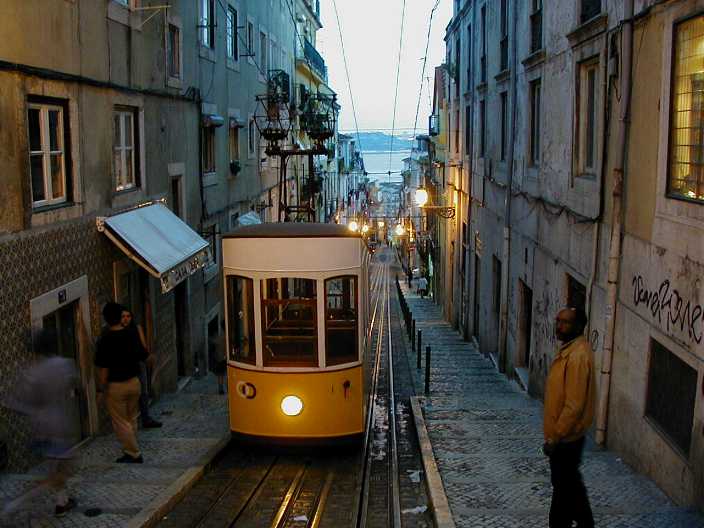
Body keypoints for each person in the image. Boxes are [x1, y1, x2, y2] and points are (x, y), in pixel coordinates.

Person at [3, 329, 78, 517]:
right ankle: (13, 505)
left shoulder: (32, 372)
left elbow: (24, 401)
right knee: (60, 470)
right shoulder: (65, 365)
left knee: (58, 467)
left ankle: (62, 503)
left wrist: (11, 404)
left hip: (41, 427)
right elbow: (75, 385)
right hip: (61, 425)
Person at [543, 307, 595, 528]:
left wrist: (556, 437)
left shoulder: (577, 356)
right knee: (568, 486)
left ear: (576, 326)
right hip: (564, 437)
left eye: (564, 322)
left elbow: (574, 405)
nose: (558, 325)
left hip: (567, 438)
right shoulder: (570, 351)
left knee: (565, 488)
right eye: (558, 320)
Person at [95, 302, 148, 463]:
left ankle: (134, 453)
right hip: (134, 382)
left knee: (120, 422)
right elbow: (142, 354)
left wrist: (101, 390)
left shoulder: (105, 340)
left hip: (116, 387)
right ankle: (129, 448)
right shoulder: (131, 334)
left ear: (106, 319)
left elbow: (103, 368)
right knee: (131, 418)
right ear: (119, 317)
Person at [121, 309, 161, 429]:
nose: (126, 319)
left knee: (143, 392)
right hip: (125, 366)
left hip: (138, 363)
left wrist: (147, 357)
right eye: (123, 316)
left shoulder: (136, 328)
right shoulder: (118, 332)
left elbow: (143, 346)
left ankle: (145, 418)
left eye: (128, 316)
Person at [209, 320, 227, 395]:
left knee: (220, 375)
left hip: (220, 358)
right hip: (226, 358)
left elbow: (213, 341)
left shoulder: (220, 337)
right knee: (224, 374)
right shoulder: (227, 336)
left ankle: (221, 389)